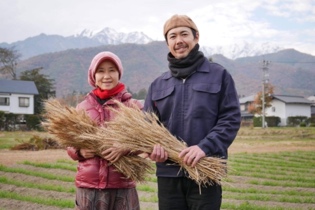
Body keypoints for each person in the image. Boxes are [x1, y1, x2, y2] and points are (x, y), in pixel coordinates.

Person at [144, 14, 241, 210]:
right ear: (167, 43)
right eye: (172, 36)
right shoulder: (158, 84)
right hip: (168, 173)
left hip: (206, 170)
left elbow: (230, 119)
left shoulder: (219, 75)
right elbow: (147, 126)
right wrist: (153, 148)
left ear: (196, 37)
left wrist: (204, 147)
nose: (179, 41)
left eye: (184, 34)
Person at [67, 51, 142, 210]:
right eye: (101, 71)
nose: (106, 76)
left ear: (119, 73)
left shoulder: (132, 106)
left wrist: (124, 148)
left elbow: (144, 142)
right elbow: (68, 142)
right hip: (89, 186)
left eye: (111, 70)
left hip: (122, 185)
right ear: (93, 75)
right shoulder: (82, 108)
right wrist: (80, 151)